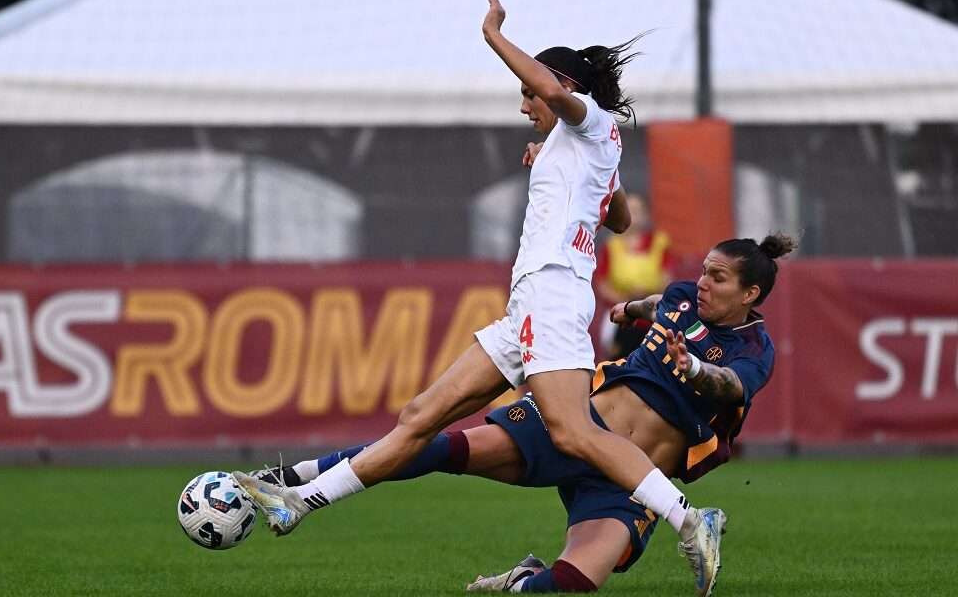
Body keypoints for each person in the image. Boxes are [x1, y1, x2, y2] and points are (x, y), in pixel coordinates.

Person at [233, 0, 721, 590]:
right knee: (419, 416)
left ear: (561, 86)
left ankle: (690, 518)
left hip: (554, 295)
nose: (524, 104)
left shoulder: (588, 117)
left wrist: (493, 36)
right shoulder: (590, 142)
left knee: (573, 433)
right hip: (526, 309)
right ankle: (301, 501)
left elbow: (558, 100)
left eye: (529, 95)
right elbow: (616, 217)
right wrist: (558, 163)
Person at [247, 234, 798, 594]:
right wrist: (631, 309)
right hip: (574, 425)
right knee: (443, 448)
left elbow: (728, 385)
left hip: (632, 485)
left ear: (750, 293)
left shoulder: (756, 350)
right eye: (704, 270)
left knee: (570, 583)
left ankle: (520, 583)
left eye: (718, 278)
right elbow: (663, 303)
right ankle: (291, 480)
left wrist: (695, 371)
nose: (702, 281)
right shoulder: (681, 296)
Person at [594, 192, 673, 360]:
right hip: (619, 316)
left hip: (652, 315)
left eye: (638, 211)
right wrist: (626, 302)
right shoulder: (612, 245)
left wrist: (645, 297)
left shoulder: (659, 242)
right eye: (629, 210)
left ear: (646, 215)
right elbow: (603, 283)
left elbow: (667, 278)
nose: (633, 215)